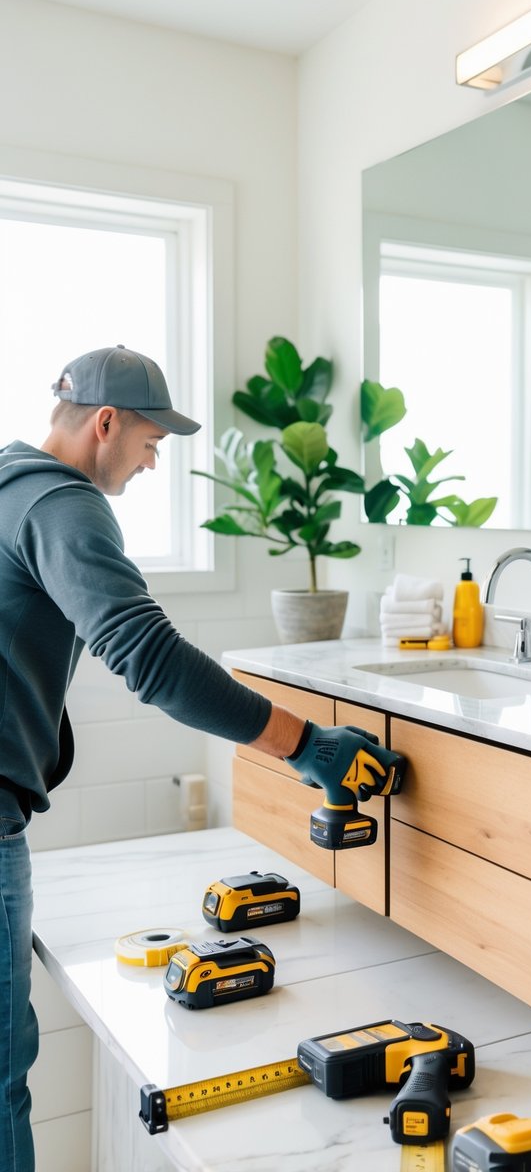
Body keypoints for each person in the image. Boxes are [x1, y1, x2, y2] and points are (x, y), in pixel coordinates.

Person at [0, 345, 387, 1171]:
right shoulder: (62, 505)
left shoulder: (5, 484)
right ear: (104, 422)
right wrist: (305, 744)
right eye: (148, 441)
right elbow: (149, 656)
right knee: (0, 1080)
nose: (150, 462)